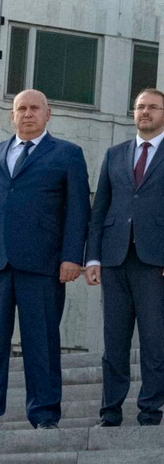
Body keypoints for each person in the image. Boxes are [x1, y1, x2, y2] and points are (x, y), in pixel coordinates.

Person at [84, 87, 164, 427]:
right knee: (114, 342)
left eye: (152, 107)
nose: (145, 112)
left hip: (156, 261)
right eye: (140, 107)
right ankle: (110, 411)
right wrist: (92, 257)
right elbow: (100, 208)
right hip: (114, 258)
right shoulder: (114, 154)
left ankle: (150, 410)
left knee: (152, 339)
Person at [0, 90, 90, 429]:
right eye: (21, 108)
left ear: (48, 114)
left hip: (44, 266)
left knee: (42, 343)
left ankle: (44, 415)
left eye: (34, 108)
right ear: (12, 115)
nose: (28, 114)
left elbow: (79, 210)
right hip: (0, 264)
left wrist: (72, 257)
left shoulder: (67, 154)